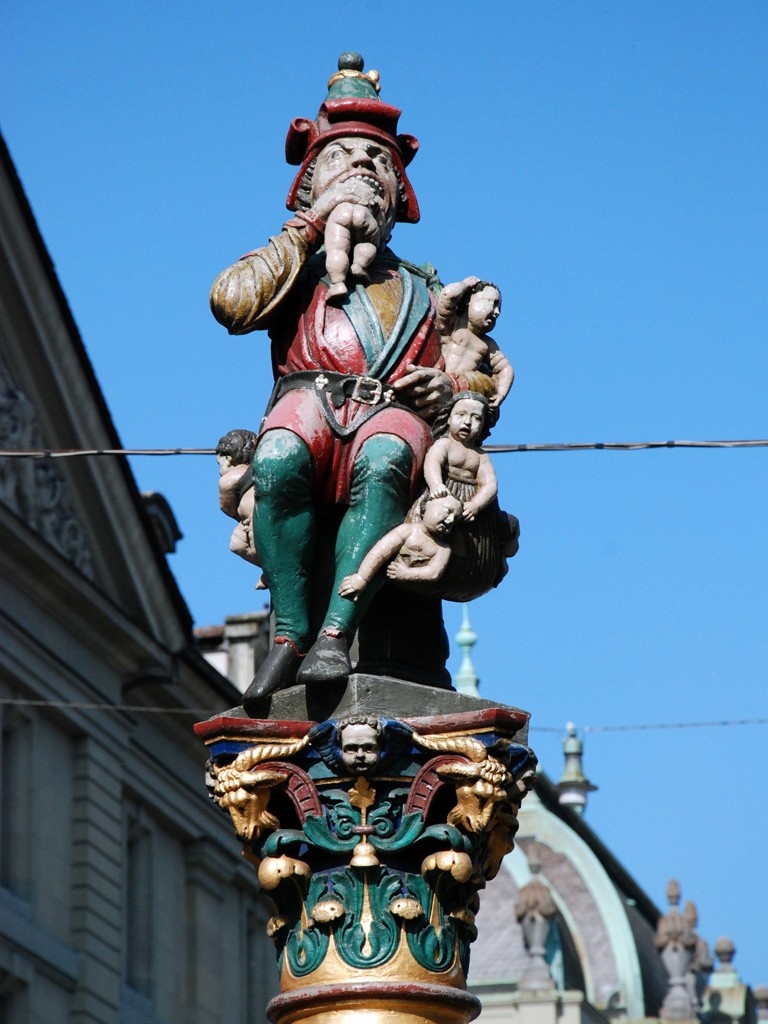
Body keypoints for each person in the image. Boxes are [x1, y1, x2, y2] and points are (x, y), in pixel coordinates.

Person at [210, 54, 489, 704]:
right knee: (277, 459)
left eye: (379, 162)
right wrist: (307, 230)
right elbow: (230, 302)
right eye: (344, 158)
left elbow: (472, 380)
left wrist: (449, 396)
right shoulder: (294, 266)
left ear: (397, 195)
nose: (364, 168)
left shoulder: (425, 287)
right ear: (312, 183)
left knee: (388, 457)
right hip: (308, 401)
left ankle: (336, 632)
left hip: (390, 416)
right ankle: (288, 635)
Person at [339, 493, 462, 600]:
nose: (450, 520)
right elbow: (380, 552)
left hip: (415, 596)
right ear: (429, 504)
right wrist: (362, 578)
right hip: (385, 585)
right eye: (448, 511)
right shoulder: (407, 530)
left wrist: (406, 573)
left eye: (455, 520)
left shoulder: (443, 549)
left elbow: (434, 572)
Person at [436, 277, 513, 408]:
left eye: (499, 307)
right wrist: (465, 284)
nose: (497, 312)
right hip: (437, 380)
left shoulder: (488, 344)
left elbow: (505, 368)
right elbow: (447, 296)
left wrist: (500, 394)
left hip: (457, 394)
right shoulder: (452, 325)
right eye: (492, 303)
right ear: (469, 301)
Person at [423, 393, 498, 521]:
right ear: (448, 418)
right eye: (461, 414)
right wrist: (436, 485)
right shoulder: (445, 444)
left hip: (470, 504)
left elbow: (490, 485)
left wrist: (476, 504)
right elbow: (432, 463)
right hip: (444, 495)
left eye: (477, 418)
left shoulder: (481, 455)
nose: (467, 422)